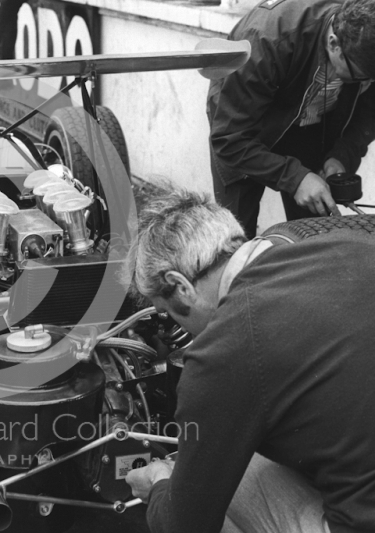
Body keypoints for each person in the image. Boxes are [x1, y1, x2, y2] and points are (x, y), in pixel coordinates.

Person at [124, 185, 375, 532]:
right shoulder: (347, 235)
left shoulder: (221, 355)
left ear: (180, 285)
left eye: (168, 314)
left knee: (219, 474)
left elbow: (184, 525)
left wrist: (159, 484)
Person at [208, 0, 375, 239]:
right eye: (360, 78)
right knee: (235, 239)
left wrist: (342, 155)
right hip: (242, 131)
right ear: (334, 43)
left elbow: (369, 114)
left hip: (309, 125)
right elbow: (229, 140)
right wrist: (295, 178)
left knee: (314, 237)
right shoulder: (267, 39)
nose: (366, 84)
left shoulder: (365, 46)